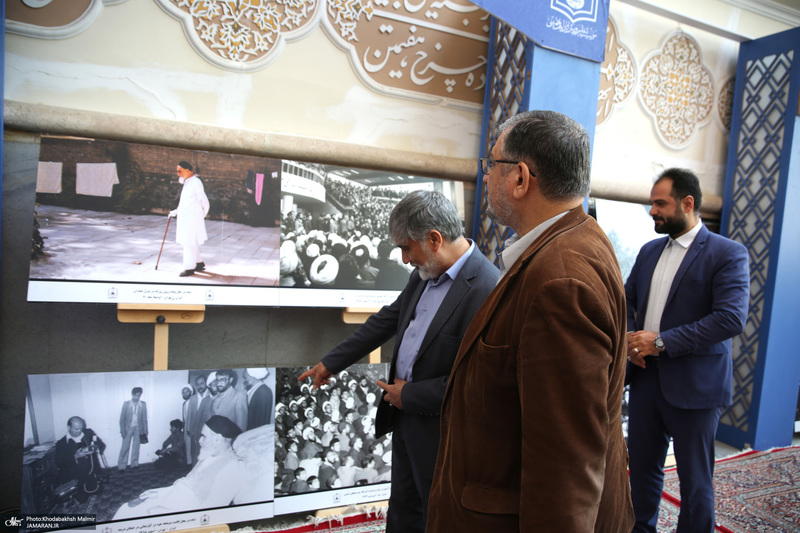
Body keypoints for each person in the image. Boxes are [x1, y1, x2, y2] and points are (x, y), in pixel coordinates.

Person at [427, 110, 634, 532]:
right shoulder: (575, 238)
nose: (486, 176)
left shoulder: (559, 281)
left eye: (491, 164)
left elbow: (566, 465)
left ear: (520, 178)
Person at [299, 190, 498, 533]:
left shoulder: (488, 288)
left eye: (407, 248)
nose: (405, 260)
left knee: (437, 519)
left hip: (444, 435)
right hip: (405, 422)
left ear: (434, 239)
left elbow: (480, 383)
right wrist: (331, 363)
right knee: (403, 514)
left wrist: (410, 395)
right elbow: (388, 319)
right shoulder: (423, 274)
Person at [625, 168, 750, 533]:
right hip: (645, 380)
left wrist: (660, 342)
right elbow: (627, 301)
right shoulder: (649, 252)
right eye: (651, 203)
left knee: (695, 484)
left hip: (696, 387)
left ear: (687, 203)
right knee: (641, 472)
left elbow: (730, 319)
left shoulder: (727, 254)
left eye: (660, 204)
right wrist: (631, 339)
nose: (652, 211)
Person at [113, 415, 245, 519]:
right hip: (176, 498)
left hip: (185, 512)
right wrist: (159, 493)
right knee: (127, 508)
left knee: (131, 513)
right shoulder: (210, 456)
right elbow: (187, 483)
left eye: (203, 437)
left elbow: (208, 511)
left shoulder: (232, 467)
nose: (199, 441)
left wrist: (167, 513)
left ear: (217, 439)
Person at [169, 161, 210, 277]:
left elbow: (204, 201)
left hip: (192, 219)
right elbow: (185, 203)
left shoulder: (196, 182)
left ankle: (189, 268)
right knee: (192, 241)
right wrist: (176, 211)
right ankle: (199, 263)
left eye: (179, 171)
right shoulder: (187, 182)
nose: (177, 173)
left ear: (187, 171)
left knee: (188, 242)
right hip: (186, 218)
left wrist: (200, 216)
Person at [54, 416, 106, 503]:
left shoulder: (89, 433)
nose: (79, 431)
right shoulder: (61, 443)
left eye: (81, 429)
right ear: (68, 427)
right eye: (76, 429)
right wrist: (75, 456)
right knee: (81, 500)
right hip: (76, 479)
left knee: (99, 493)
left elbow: (101, 445)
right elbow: (59, 462)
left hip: (92, 474)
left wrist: (95, 447)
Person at [118, 387, 148, 471]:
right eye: (135, 395)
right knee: (125, 447)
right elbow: (122, 419)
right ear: (132, 394)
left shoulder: (143, 404)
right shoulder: (126, 404)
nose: (137, 397)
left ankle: (134, 463)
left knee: (136, 447)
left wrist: (145, 430)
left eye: (139, 395)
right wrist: (122, 431)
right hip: (128, 428)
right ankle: (122, 466)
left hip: (139, 428)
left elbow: (144, 419)